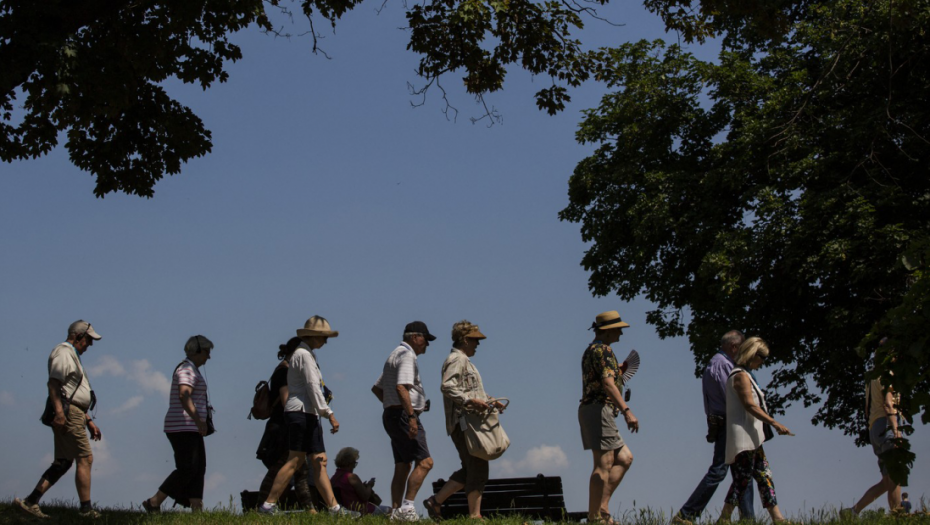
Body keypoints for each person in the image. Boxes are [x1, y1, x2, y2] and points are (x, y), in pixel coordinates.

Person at [258, 316, 357, 516]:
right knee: (295, 461)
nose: (325, 341)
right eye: (323, 336)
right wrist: (329, 413)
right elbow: (313, 386)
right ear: (311, 336)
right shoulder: (303, 355)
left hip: (308, 414)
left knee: (320, 461)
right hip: (301, 413)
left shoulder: (308, 355)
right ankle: (268, 505)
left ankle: (334, 508)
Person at [14, 320, 104, 520]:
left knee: (63, 461)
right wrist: (61, 414)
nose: (90, 345)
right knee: (85, 458)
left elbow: (72, 391)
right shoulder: (63, 352)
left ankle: (31, 502)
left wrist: (88, 420)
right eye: (88, 340)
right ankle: (86, 509)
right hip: (69, 412)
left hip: (74, 412)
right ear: (78, 336)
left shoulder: (72, 355)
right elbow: (54, 384)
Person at [425, 320, 506, 520]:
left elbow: (470, 390)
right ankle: (474, 516)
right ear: (464, 339)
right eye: (474, 340)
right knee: (478, 468)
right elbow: (447, 386)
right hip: (465, 424)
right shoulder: (457, 360)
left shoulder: (463, 361)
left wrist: (490, 400)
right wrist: (471, 401)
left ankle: (435, 501)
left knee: (470, 467)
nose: (477, 344)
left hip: (466, 423)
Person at [673, 330, 754, 524]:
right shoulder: (723, 365)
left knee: (743, 472)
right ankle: (687, 514)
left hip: (728, 422)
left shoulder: (719, 363)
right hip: (730, 422)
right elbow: (734, 397)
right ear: (734, 347)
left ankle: (748, 519)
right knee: (721, 470)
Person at [718, 337, 792, 523]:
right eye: (762, 357)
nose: (763, 362)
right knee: (742, 481)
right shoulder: (740, 376)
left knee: (764, 476)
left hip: (752, 438)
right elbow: (750, 405)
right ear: (752, 354)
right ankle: (724, 519)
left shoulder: (746, 375)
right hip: (743, 438)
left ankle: (778, 519)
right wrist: (774, 423)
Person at [142, 335, 216, 513]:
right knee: (188, 468)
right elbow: (184, 394)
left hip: (189, 427)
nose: (209, 357)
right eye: (207, 352)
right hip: (183, 426)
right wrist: (199, 420)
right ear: (198, 351)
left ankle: (197, 509)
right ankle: (154, 502)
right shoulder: (187, 370)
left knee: (198, 469)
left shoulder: (192, 370)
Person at [579, 311, 639, 524]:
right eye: (618, 328)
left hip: (596, 409)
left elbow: (606, 379)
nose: (621, 333)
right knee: (603, 463)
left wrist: (617, 373)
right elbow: (607, 384)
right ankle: (595, 517)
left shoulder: (593, 350)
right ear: (607, 330)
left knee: (624, 458)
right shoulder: (603, 351)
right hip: (599, 409)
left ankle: (601, 509)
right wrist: (627, 411)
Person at [372, 320, 436, 521]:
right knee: (425, 462)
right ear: (415, 337)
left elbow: (377, 388)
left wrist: (394, 404)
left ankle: (395, 509)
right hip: (402, 416)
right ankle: (407, 508)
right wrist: (411, 416)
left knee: (403, 464)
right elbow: (401, 387)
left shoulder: (395, 354)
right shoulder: (408, 356)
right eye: (426, 339)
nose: (427, 344)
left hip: (392, 415)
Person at [844, 343, 905, 517]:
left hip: (874, 428)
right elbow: (888, 404)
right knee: (895, 477)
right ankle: (898, 517)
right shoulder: (887, 376)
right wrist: (896, 431)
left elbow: (867, 408)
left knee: (886, 482)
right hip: (887, 425)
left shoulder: (872, 377)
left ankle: (853, 511)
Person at [255, 336, 315, 511]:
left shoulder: (285, 371)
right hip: (283, 428)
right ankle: (263, 506)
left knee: (300, 470)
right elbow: (286, 400)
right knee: (282, 468)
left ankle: (310, 510)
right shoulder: (284, 372)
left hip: (285, 426)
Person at [331, 447, 392, 515]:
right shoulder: (352, 477)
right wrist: (369, 485)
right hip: (360, 510)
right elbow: (365, 496)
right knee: (389, 510)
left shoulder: (334, 478)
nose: (354, 466)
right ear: (349, 462)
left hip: (344, 509)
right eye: (354, 463)